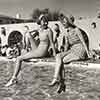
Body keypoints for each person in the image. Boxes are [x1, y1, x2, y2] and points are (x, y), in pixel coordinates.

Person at [5, 14, 56, 87]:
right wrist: (30, 33)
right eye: (44, 21)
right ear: (40, 22)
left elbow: (52, 43)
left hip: (41, 52)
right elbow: (28, 32)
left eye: (46, 22)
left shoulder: (49, 31)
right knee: (28, 34)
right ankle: (26, 48)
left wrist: (54, 54)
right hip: (37, 49)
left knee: (19, 58)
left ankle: (13, 78)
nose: (45, 23)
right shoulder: (39, 29)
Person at [49, 15, 90, 93]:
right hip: (72, 50)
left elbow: (83, 42)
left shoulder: (76, 30)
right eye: (62, 22)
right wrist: (64, 53)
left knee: (61, 61)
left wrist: (88, 53)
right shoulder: (66, 33)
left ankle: (60, 82)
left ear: (68, 22)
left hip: (80, 50)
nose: (63, 23)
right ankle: (58, 80)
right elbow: (66, 46)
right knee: (58, 57)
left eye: (64, 22)